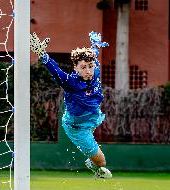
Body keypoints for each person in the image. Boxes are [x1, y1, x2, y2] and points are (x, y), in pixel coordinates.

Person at [30, 31, 112, 178]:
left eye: (90, 66)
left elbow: (93, 53)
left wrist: (95, 45)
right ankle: (93, 165)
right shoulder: (70, 82)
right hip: (77, 127)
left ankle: (91, 155)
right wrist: (43, 55)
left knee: (93, 137)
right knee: (102, 162)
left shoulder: (96, 68)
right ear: (75, 68)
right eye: (83, 67)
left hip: (93, 116)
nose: (88, 71)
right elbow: (56, 71)